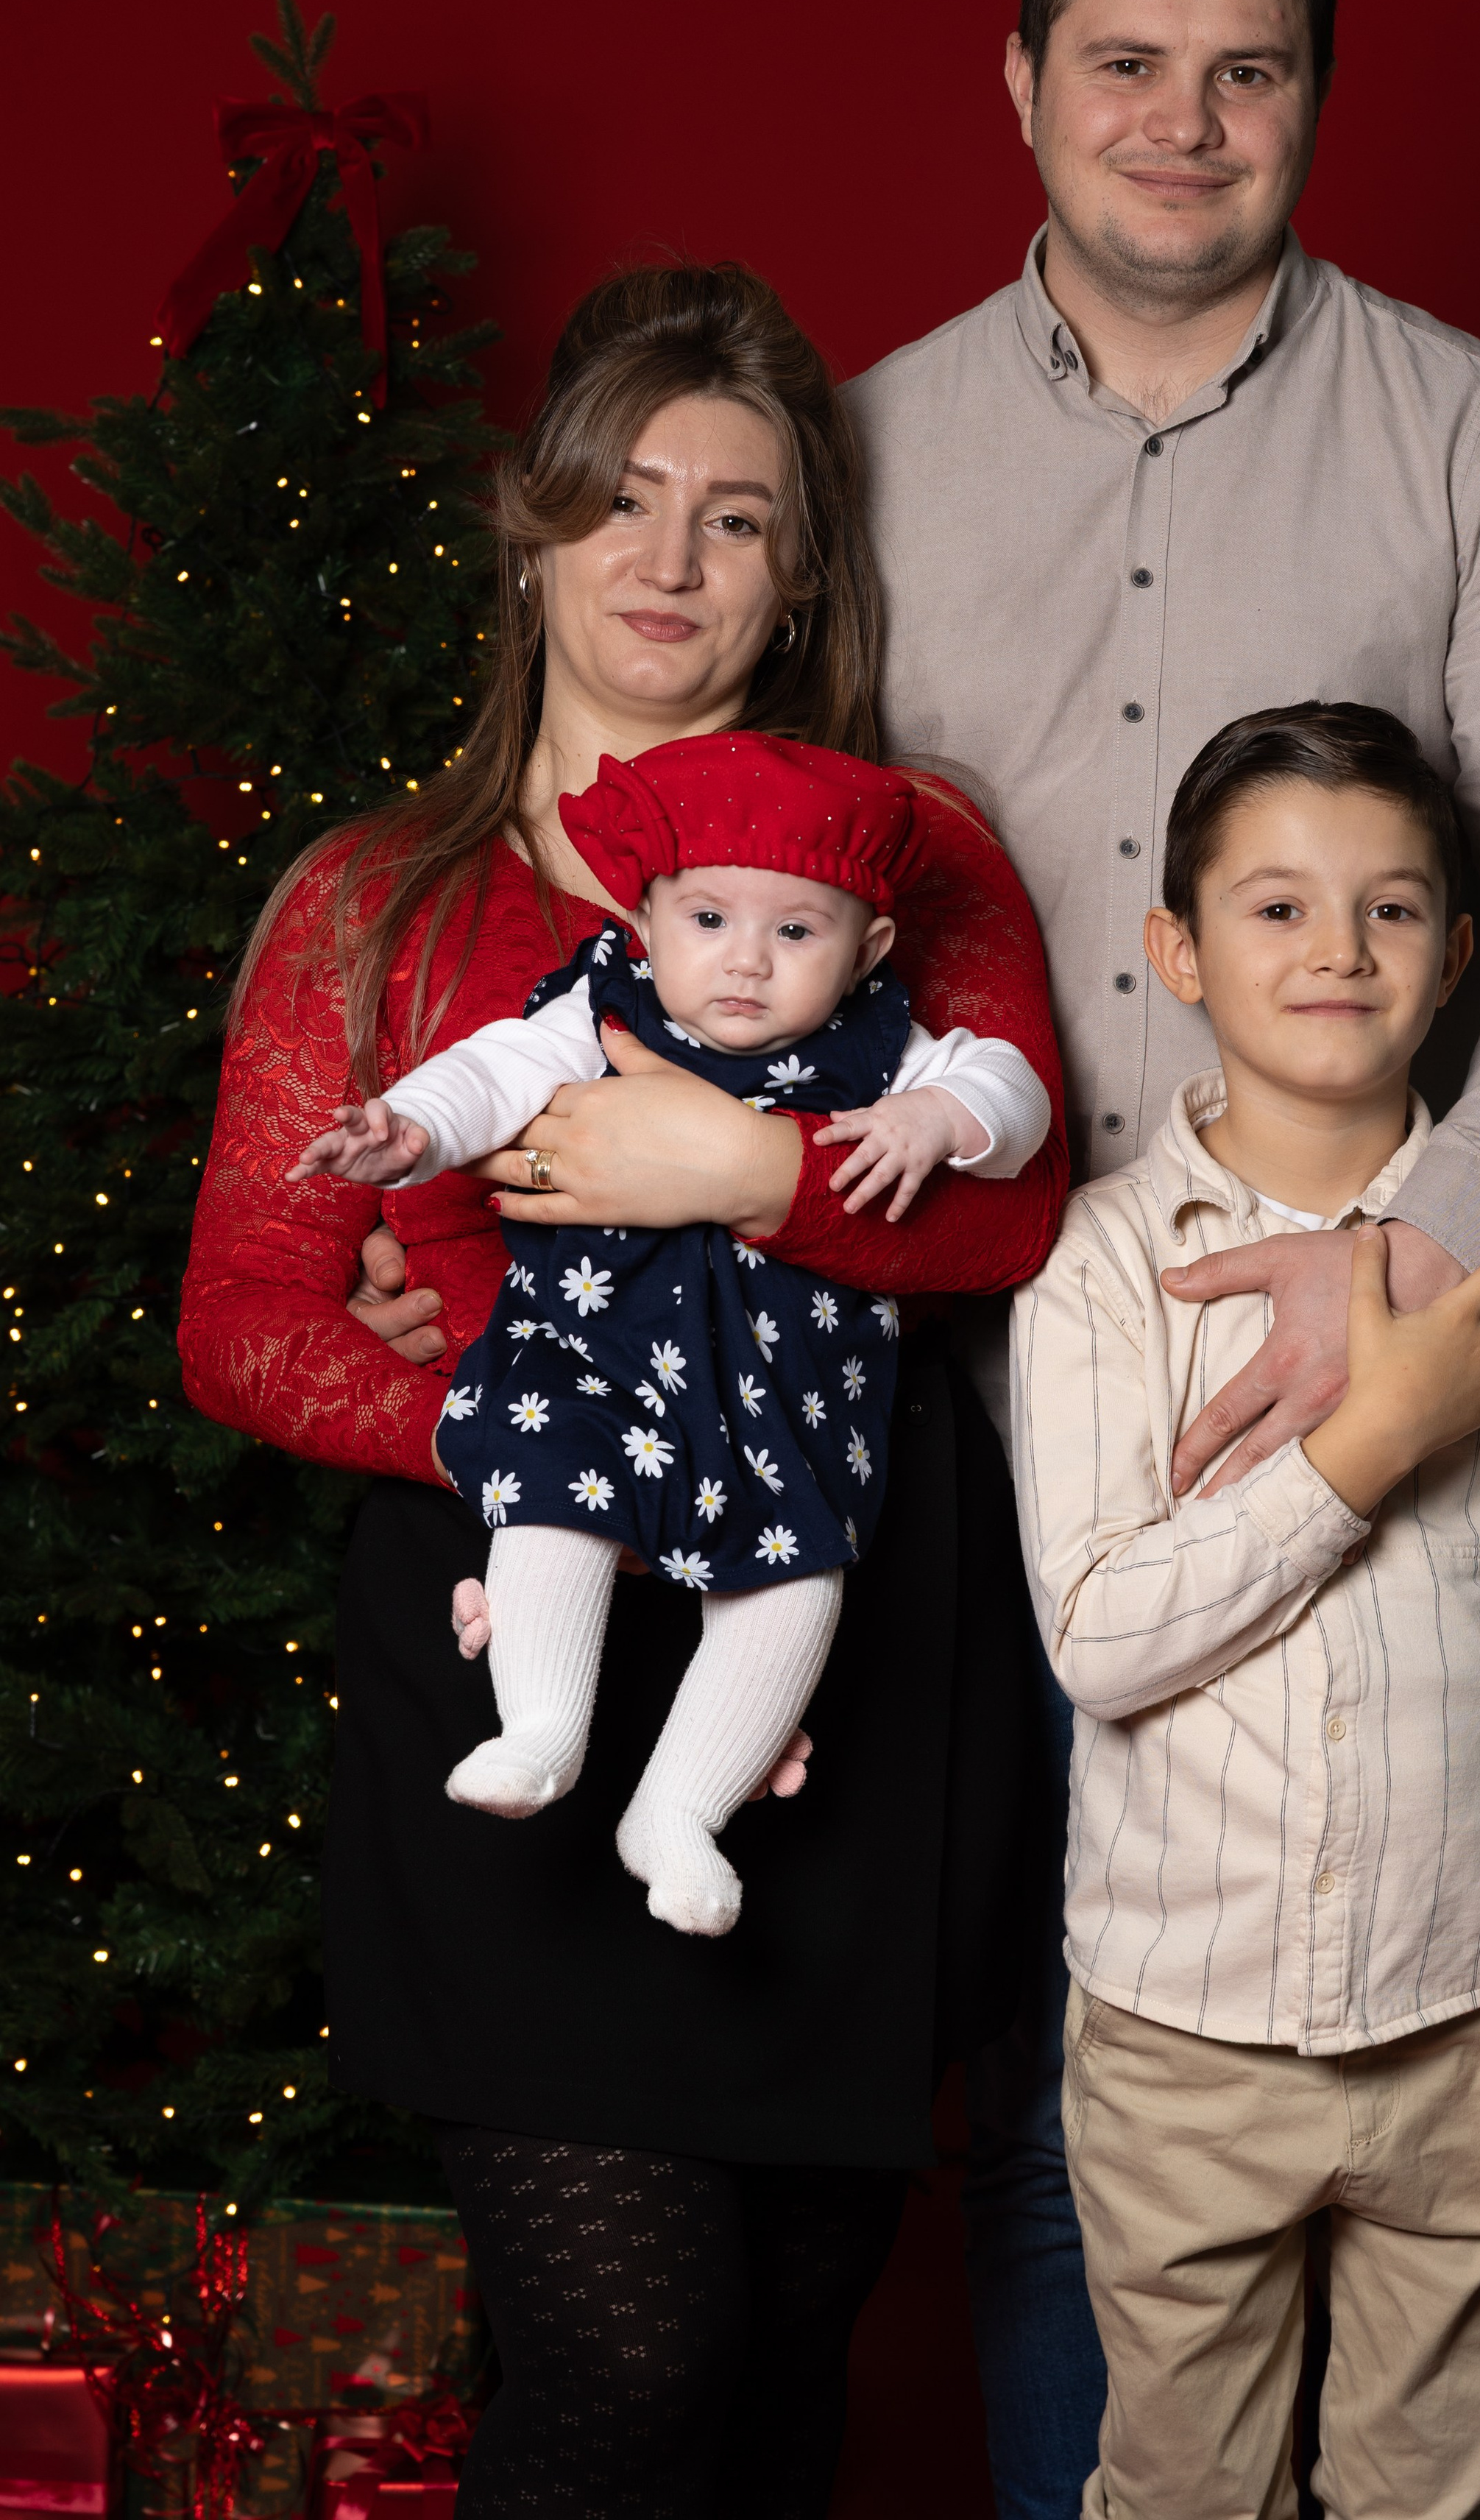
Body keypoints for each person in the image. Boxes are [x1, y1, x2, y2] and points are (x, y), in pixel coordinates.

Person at [843, 0, 1480, 2514]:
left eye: (1247, 70)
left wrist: (1414, 1265)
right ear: (1019, 82)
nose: (1181, 124)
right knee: (1037, 2066)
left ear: (1318, 96)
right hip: (940, 1357)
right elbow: (715, 875)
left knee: (1348, 2038)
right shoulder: (860, 452)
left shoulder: (1473, 436)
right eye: (1125, 60)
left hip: (1376, 1348)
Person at [179, 259, 1069, 2518]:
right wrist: (519, 1427)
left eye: (740, 518)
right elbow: (247, 1317)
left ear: (799, 579)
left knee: (785, 2345)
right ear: (532, 528)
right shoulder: (382, 905)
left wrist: (744, 1168)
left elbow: (1010, 1208)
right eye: (625, 499)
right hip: (521, 1632)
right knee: (630, 2356)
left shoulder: (904, 857)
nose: (670, 561)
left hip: (839, 1646)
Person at [1013, 703, 1480, 2519]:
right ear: (1175, 951)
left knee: (1438, 2500)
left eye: (1390, 911)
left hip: (1475, 2022)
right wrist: (1364, 1447)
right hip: (1178, 2042)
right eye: (1275, 909)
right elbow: (1101, 1636)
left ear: (1459, 956)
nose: (1335, 952)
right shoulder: (1096, 1272)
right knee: (1174, 2495)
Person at [291, 731, 1049, 1935]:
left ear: (870, 947)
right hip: (596, 1367)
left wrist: (942, 1117)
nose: (746, 963)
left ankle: (682, 1810)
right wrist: (414, 1129)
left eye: (797, 933)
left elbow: (1018, 1098)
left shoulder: (879, 1047)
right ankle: (542, 1723)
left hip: (779, 1412)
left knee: (797, 1592)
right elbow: (488, 1070)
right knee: (552, 1494)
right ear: (644, 920)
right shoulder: (601, 1004)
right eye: (708, 921)